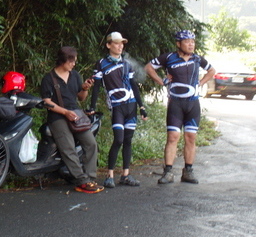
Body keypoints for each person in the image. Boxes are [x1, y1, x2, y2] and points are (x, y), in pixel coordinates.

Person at [144, 30, 216, 184]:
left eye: (193, 41)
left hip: (193, 104)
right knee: (173, 137)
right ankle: (168, 172)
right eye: (187, 41)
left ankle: (188, 171)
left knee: (190, 137)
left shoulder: (197, 58)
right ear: (178, 43)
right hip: (176, 103)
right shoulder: (169, 57)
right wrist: (161, 81)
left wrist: (201, 83)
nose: (191, 44)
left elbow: (212, 70)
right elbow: (148, 67)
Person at [88, 32, 147, 188]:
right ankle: (110, 175)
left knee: (128, 140)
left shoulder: (127, 64)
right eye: (116, 43)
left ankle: (126, 175)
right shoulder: (101, 63)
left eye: (122, 43)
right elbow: (96, 87)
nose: (120, 46)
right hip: (116, 106)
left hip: (131, 105)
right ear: (108, 45)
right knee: (119, 139)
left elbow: (134, 85)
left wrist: (141, 107)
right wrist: (92, 107)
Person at [40, 46, 103, 193]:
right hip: (57, 116)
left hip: (76, 114)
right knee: (68, 148)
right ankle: (82, 181)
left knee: (91, 144)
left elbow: (80, 98)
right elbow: (47, 102)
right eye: (71, 61)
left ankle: (90, 178)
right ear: (62, 61)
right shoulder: (48, 78)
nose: (74, 64)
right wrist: (65, 112)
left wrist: (85, 88)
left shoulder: (75, 75)